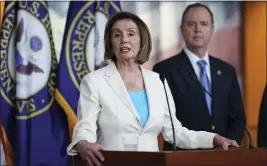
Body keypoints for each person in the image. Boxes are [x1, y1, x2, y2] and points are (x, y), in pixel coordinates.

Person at [67, 11, 239, 166]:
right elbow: (85, 126)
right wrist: (83, 142)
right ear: (111, 42)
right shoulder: (94, 81)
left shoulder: (157, 81)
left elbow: (175, 133)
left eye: (131, 34)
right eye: (117, 35)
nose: (124, 39)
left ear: (142, 40)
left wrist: (213, 138)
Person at [153, 3, 246, 151]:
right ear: (182, 29)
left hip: (224, 155)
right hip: (182, 156)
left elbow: (238, 118)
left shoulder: (227, 71)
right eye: (191, 24)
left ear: (212, 30)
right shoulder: (165, 70)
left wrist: (227, 146)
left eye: (204, 24)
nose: (198, 30)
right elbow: (166, 124)